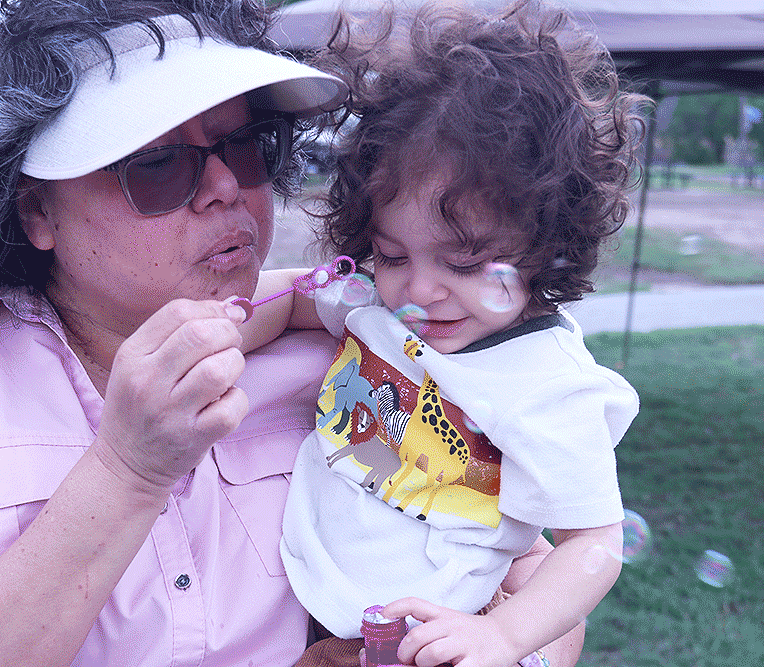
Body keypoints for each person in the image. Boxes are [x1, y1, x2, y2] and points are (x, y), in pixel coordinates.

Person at [0, 1, 584, 666]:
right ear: (35, 212)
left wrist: (507, 650)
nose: (226, 188)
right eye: (158, 164)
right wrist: (126, 471)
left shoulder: (350, 353)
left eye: (245, 146)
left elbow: (525, 571)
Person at [235, 2, 646, 665]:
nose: (419, 289)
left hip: (421, 637)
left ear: (548, 241)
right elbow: (287, 301)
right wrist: (206, 331)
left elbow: (592, 542)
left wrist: (505, 637)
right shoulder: (378, 299)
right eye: (394, 253)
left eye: (463, 261)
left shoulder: (550, 387)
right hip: (295, 602)